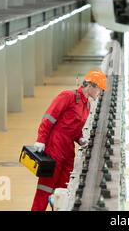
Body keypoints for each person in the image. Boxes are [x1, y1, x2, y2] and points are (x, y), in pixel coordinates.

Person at [31, 70, 107, 211]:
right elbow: (48, 118)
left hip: (68, 150)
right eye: (100, 89)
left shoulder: (87, 106)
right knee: (45, 189)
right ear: (91, 85)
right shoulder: (68, 96)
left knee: (62, 192)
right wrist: (41, 139)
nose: (100, 93)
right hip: (54, 147)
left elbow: (75, 128)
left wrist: (81, 139)